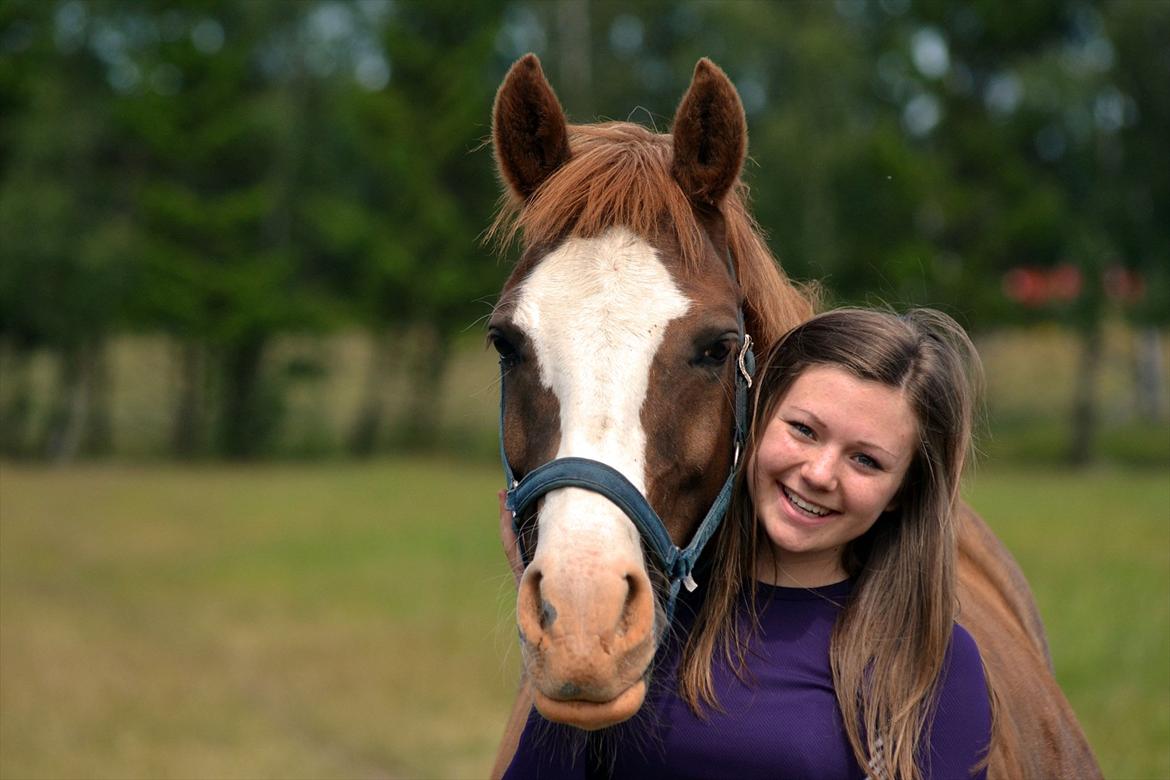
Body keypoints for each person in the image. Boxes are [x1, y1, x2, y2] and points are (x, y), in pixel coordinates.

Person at [497, 308, 993, 780]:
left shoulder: (930, 663)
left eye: (866, 460)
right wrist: (567, 620)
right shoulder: (645, 612)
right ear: (754, 418)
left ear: (901, 492)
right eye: (804, 430)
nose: (820, 474)